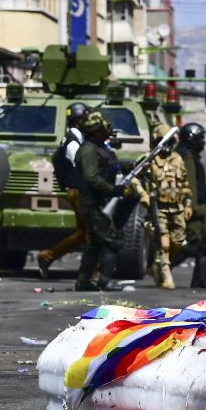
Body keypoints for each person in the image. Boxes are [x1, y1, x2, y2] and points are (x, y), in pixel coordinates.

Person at [74, 111, 126, 292]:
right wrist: (112, 190)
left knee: (95, 244)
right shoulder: (88, 150)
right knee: (112, 241)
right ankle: (104, 280)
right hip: (94, 203)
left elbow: (110, 166)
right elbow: (92, 178)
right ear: (97, 130)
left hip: (98, 202)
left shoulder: (98, 148)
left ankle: (83, 280)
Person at [38, 101, 88, 278]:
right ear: (79, 120)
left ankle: (48, 257)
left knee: (84, 233)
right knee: (92, 233)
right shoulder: (72, 142)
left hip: (76, 189)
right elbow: (81, 164)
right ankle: (89, 274)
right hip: (78, 189)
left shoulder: (75, 138)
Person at [174, 122, 206, 288]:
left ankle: (199, 281)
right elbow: (191, 187)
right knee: (195, 246)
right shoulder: (187, 158)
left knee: (205, 246)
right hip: (191, 211)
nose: (203, 142)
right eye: (200, 138)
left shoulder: (187, 155)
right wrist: (197, 208)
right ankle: (161, 267)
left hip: (194, 208)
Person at [147, 122, 191, 289]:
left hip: (177, 207)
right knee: (163, 243)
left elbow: (185, 183)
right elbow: (137, 178)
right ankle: (167, 276)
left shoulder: (178, 159)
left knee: (178, 242)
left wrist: (187, 204)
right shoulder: (150, 159)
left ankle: (159, 264)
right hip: (159, 208)